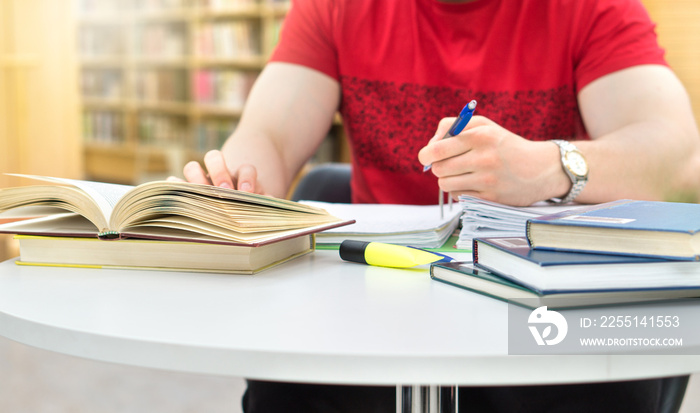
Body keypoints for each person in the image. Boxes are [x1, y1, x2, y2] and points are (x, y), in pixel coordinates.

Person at [175, 0, 700, 411]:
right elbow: (268, 134)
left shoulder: (591, 9)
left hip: (534, 305)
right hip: (376, 301)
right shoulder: (335, 7)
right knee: (286, 390)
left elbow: (679, 160)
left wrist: (548, 166)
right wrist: (239, 182)